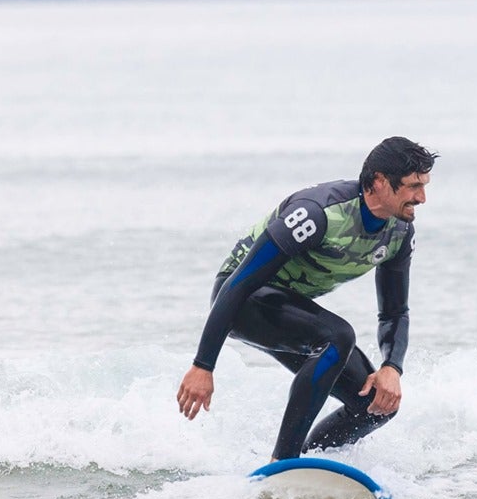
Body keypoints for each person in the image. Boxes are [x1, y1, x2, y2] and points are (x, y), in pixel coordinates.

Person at [176, 136, 438, 461]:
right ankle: (284, 461)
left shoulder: (398, 232)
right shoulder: (318, 213)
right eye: (414, 186)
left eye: (424, 186)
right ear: (379, 182)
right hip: (241, 302)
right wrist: (203, 365)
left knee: (376, 404)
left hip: (288, 312)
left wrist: (392, 367)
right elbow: (238, 284)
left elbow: (395, 311)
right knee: (338, 337)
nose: (422, 197)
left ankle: (310, 467)